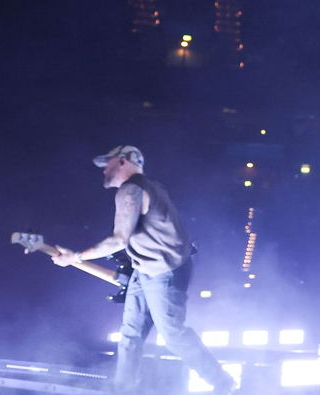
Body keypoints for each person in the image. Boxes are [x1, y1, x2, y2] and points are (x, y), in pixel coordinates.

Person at [52, 146, 237, 395]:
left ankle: (223, 383)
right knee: (130, 334)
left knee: (172, 334)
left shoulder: (132, 189)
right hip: (146, 269)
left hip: (165, 271)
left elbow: (119, 239)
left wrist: (76, 256)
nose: (104, 170)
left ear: (122, 161)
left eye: (107, 164)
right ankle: (124, 389)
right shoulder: (150, 187)